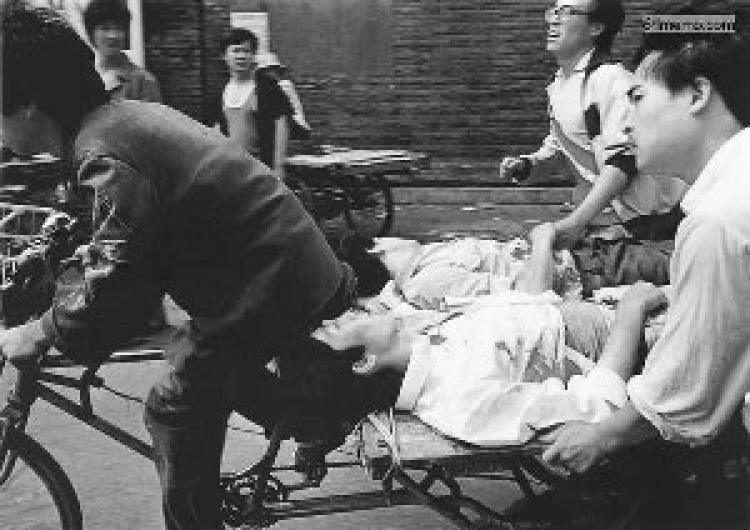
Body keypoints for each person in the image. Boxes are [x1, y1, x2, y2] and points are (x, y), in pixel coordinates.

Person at [0, 2, 398, 528]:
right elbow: (120, 242)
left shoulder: (105, 149)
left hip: (274, 279)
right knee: (196, 355)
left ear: (27, 104)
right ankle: (319, 410)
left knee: (175, 406)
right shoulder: (113, 125)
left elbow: (118, 274)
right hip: (278, 270)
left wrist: (45, 328)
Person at [541, 2, 750, 477]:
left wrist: (606, 433)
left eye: (638, 98)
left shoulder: (718, 219)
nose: (628, 121)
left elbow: (690, 385)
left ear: (697, 94)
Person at [499, 0, 687, 294]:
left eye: (567, 12)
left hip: (658, 227)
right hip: (619, 226)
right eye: (554, 11)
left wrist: (575, 223)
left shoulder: (610, 79)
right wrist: (529, 164)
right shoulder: (559, 85)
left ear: (596, 28)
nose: (554, 20)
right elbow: (563, 145)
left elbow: (625, 160)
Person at [213, 28, 293, 180]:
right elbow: (216, 130)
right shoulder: (222, 91)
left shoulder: (267, 86)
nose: (241, 56)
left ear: (253, 55)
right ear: (224, 56)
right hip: (233, 169)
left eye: (246, 51)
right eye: (235, 51)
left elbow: (281, 124)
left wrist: (278, 166)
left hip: (262, 169)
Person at [83, 0, 162, 102]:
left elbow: (153, 117)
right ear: (92, 33)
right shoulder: (82, 77)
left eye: (119, 29)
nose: (113, 36)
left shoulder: (144, 82)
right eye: (105, 29)